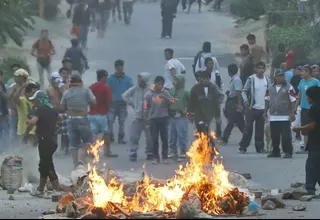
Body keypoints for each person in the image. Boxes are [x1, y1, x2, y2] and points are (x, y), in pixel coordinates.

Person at [24, 90, 62, 198]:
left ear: (39, 100)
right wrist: (50, 125)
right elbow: (60, 118)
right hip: (53, 140)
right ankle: (40, 189)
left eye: (35, 100)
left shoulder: (40, 109)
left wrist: (26, 135)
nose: (33, 102)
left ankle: (57, 191)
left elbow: (32, 122)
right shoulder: (51, 109)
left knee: (48, 164)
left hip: (45, 140)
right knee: (43, 164)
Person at [60, 73, 96, 168]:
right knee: (88, 140)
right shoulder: (86, 91)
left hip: (71, 119)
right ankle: (81, 159)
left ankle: (75, 164)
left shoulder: (66, 92)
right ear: (81, 82)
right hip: (82, 118)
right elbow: (93, 102)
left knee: (73, 143)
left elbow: (62, 107)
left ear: (71, 83)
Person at [292, 86, 320, 196]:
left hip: (316, 141)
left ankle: (310, 187)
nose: (306, 98)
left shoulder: (315, 107)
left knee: (312, 165)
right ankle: (310, 187)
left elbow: (312, 126)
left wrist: (297, 129)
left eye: (307, 96)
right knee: (313, 164)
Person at [239, 62, 270, 154]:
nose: (261, 70)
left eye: (262, 68)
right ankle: (243, 147)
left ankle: (260, 147)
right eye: (259, 68)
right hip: (252, 108)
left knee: (260, 129)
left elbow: (269, 93)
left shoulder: (267, 80)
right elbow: (244, 91)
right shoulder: (251, 79)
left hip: (263, 109)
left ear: (264, 69)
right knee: (248, 128)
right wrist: (245, 100)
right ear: (255, 69)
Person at [265, 69, 296, 158]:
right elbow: (267, 99)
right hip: (273, 115)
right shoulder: (270, 87)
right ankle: (275, 151)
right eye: (279, 76)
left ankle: (288, 152)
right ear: (275, 77)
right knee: (274, 135)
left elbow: (293, 100)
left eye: (282, 76)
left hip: (285, 116)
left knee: (286, 135)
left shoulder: (289, 87)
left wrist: (292, 112)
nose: (281, 77)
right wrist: (265, 112)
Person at [122, 72, 153, 162]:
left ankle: (149, 153)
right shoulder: (135, 88)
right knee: (134, 137)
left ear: (145, 81)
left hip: (149, 118)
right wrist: (132, 104)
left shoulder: (151, 89)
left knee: (150, 138)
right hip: (138, 117)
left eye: (141, 80)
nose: (140, 82)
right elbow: (124, 96)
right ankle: (133, 153)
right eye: (139, 79)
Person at [144, 76, 174, 165]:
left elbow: (172, 101)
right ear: (155, 83)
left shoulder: (165, 92)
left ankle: (165, 157)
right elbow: (145, 107)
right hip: (153, 119)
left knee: (164, 138)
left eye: (161, 84)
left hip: (164, 118)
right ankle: (155, 157)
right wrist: (146, 120)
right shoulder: (149, 94)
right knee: (154, 139)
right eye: (158, 84)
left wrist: (165, 97)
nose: (159, 86)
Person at [89, 69, 117, 158]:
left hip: (92, 114)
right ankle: (107, 151)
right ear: (103, 77)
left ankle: (91, 151)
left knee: (93, 134)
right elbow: (110, 101)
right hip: (103, 114)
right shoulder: (106, 87)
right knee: (106, 133)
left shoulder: (92, 87)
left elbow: (89, 100)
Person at [187, 71, 224, 135]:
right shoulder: (195, 88)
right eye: (204, 78)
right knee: (200, 130)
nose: (205, 80)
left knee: (208, 131)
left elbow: (221, 96)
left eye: (207, 78)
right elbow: (191, 101)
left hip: (210, 113)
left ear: (209, 78)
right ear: (201, 79)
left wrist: (218, 102)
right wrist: (190, 113)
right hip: (198, 113)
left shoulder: (213, 87)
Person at [295, 65, 320, 154]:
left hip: (313, 108)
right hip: (304, 108)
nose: (300, 73)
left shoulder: (316, 82)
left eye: (303, 71)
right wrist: (295, 107)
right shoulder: (301, 81)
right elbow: (299, 95)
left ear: (308, 72)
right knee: (305, 128)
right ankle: (305, 147)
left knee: (313, 127)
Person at [107, 60, 133, 144]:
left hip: (123, 103)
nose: (119, 68)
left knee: (122, 122)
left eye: (120, 66)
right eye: (117, 66)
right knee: (110, 121)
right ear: (115, 67)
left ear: (122, 67)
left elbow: (131, 90)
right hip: (112, 103)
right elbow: (107, 90)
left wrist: (129, 100)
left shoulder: (128, 79)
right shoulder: (110, 79)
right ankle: (110, 136)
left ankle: (121, 137)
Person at [221, 64, 245, 144]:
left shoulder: (236, 79)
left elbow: (238, 92)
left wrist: (239, 104)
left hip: (234, 102)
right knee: (239, 121)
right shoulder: (233, 79)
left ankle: (225, 138)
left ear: (229, 71)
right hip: (231, 101)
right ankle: (246, 135)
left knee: (231, 121)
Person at [168, 74, 189, 161]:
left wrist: (187, 111)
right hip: (172, 116)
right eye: (174, 80)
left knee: (182, 134)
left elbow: (190, 103)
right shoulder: (171, 91)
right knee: (172, 135)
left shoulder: (186, 92)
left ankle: (183, 151)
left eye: (176, 80)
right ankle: (173, 150)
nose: (174, 82)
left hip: (181, 116)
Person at [204, 57, 223, 138]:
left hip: (215, 99)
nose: (211, 65)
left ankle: (218, 133)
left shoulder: (216, 74)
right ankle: (205, 134)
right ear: (206, 65)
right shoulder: (202, 74)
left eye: (212, 63)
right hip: (206, 99)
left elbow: (221, 84)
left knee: (217, 118)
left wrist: (220, 95)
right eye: (209, 64)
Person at [0, 71, 9, 152]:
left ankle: (6, 149)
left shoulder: (3, 85)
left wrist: (1, 91)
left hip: (3, 113)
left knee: (5, 131)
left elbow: (7, 98)